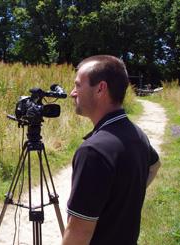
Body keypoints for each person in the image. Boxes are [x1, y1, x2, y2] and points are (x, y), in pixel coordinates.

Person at [62, 55, 161, 245]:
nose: (73, 93)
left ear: (100, 89)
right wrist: (122, 200)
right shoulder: (136, 133)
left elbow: (79, 233)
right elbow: (155, 166)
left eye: (78, 85)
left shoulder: (93, 151)